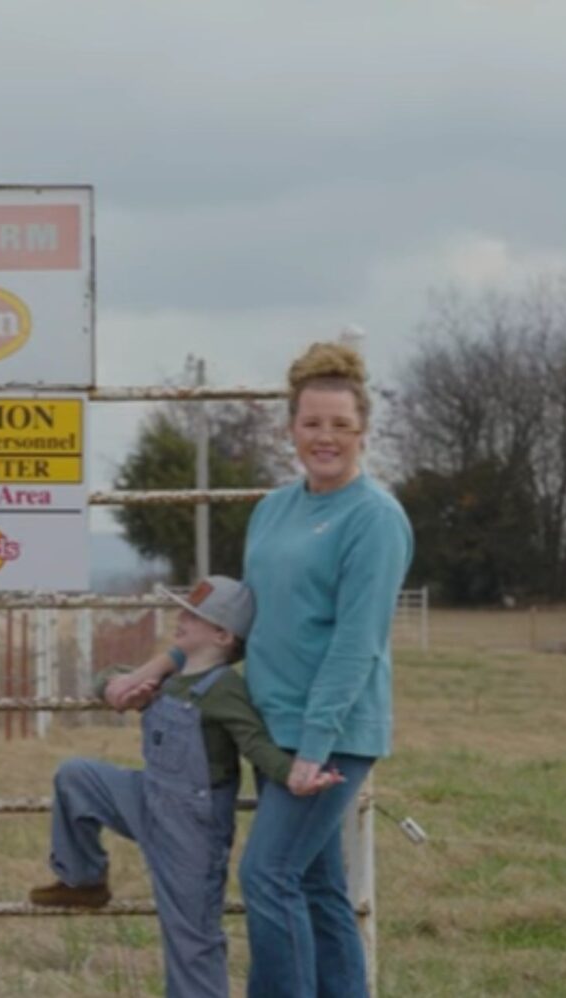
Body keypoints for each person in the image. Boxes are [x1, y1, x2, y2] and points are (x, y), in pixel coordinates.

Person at [107, 342, 412, 998]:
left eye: (339, 424)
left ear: (363, 431)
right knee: (317, 886)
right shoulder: (274, 510)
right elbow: (237, 625)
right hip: (272, 727)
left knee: (268, 874)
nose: (324, 437)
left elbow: (357, 643)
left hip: (331, 736)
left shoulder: (375, 520)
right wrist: (162, 667)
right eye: (311, 423)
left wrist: (314, 748)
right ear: (291, 429)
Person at [31, 576, 342, 998]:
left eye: (195, 615)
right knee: (75, 776)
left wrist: (292, 774)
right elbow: (108, 675)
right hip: (147, 795)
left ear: (222, 634)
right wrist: (115, 688)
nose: (181, 619)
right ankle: (84, 880)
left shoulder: (226, 689)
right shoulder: (169, 675)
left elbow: (254, 742)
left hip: (192, 826)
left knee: (191, 935)